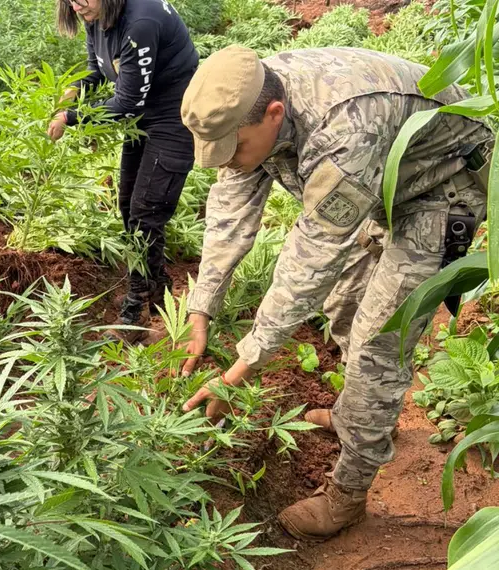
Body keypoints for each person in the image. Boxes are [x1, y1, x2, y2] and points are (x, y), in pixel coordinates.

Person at [179, 46, 491, 540]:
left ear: (274, 115)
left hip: (442, 186)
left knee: (378, 342)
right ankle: (365, 417)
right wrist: (202, 308)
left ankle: (347, 495)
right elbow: (230, 207)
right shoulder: (248, 101)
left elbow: (313, 256)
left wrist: (242, 365)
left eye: (235, 148)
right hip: (386, 178)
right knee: (343, 303)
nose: (232, 162)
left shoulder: (344, 129)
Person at [49, 0, 198, 342]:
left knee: (147, 213)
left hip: (173, 118)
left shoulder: (140, 21)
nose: (77, 4)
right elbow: (99, 72)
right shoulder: (95, 14)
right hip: (142, 119)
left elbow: (126, 101)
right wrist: (73, 91)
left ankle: (137, 306)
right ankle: (157, 291)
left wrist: (70, 118)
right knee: (129, 207)